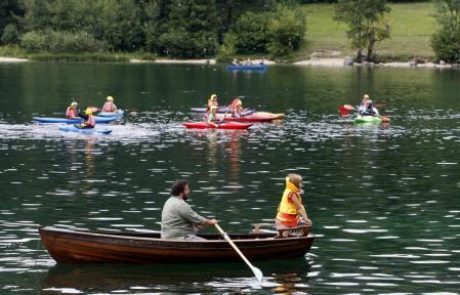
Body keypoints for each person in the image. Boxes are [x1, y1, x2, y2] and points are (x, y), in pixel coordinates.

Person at [275, 173, 312, 238]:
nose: (301, 185)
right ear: (295, 183)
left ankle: (296, 238)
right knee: (283, 238)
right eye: (300, 183)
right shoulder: (292, 194)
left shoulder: (288, 189)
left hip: (289, 218)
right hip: (284, 220)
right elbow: (299, 207)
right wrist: (306, 218)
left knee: (285, 236)